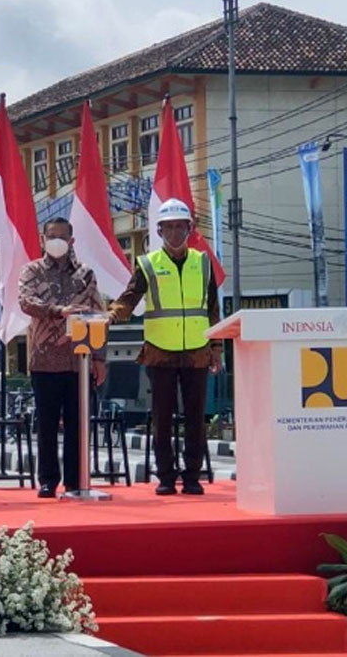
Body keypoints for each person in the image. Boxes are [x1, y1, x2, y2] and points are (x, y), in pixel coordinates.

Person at [108, 199, 222, 496]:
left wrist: (217, 348)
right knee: (162, 417)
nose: (174, 233)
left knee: (196, 418)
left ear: (190, 229)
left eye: (179, 227)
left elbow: (213, 309)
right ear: (159, 231)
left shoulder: (204, 263)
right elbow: (130, 297)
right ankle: (167, 477)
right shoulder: (148, 264)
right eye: (168, 227)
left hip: (197, 349)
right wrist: (112, 314)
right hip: (160, 350)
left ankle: (193, 476)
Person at [18, 217, 105, 498]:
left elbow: (98, 315)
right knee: (46, 423)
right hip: (44, 360)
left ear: (71, 241)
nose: (56, 240)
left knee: (78, 424)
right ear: (43, 239)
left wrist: (100, 358)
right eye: (50, 236)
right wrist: (60, 310)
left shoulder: (86, 274)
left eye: (61, 236)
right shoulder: (31, 271)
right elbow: (26, 301)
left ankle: (76, 479)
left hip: (78, 361)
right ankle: (47, 480)